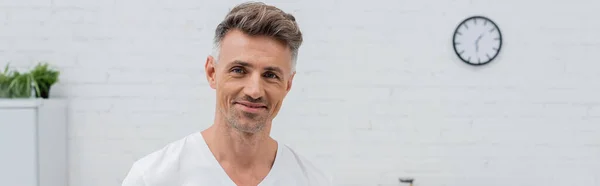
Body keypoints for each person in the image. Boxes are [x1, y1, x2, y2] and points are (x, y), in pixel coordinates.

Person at [121, 2, 333, 186]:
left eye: (270, 75)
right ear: (212, 73)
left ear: (288, 85)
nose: (254, 91)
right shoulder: (152, 179)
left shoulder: (312, 181)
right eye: (239, 70)